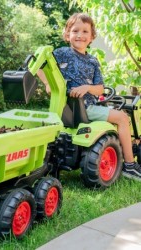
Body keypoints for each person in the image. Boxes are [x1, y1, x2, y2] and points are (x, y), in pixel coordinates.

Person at [37, 13, 141, 180]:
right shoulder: (61, 53)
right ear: (67, 34)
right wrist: (48, 83)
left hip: (78, 108)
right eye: (75, 30)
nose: (80, 35)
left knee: (114, 114)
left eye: (85, 31)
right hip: (83, 109)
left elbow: (99, 89)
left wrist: (86, 88)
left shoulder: (92, 61)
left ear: (92, 37)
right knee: (122, 117)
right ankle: (129, 165)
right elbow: (39, 66)